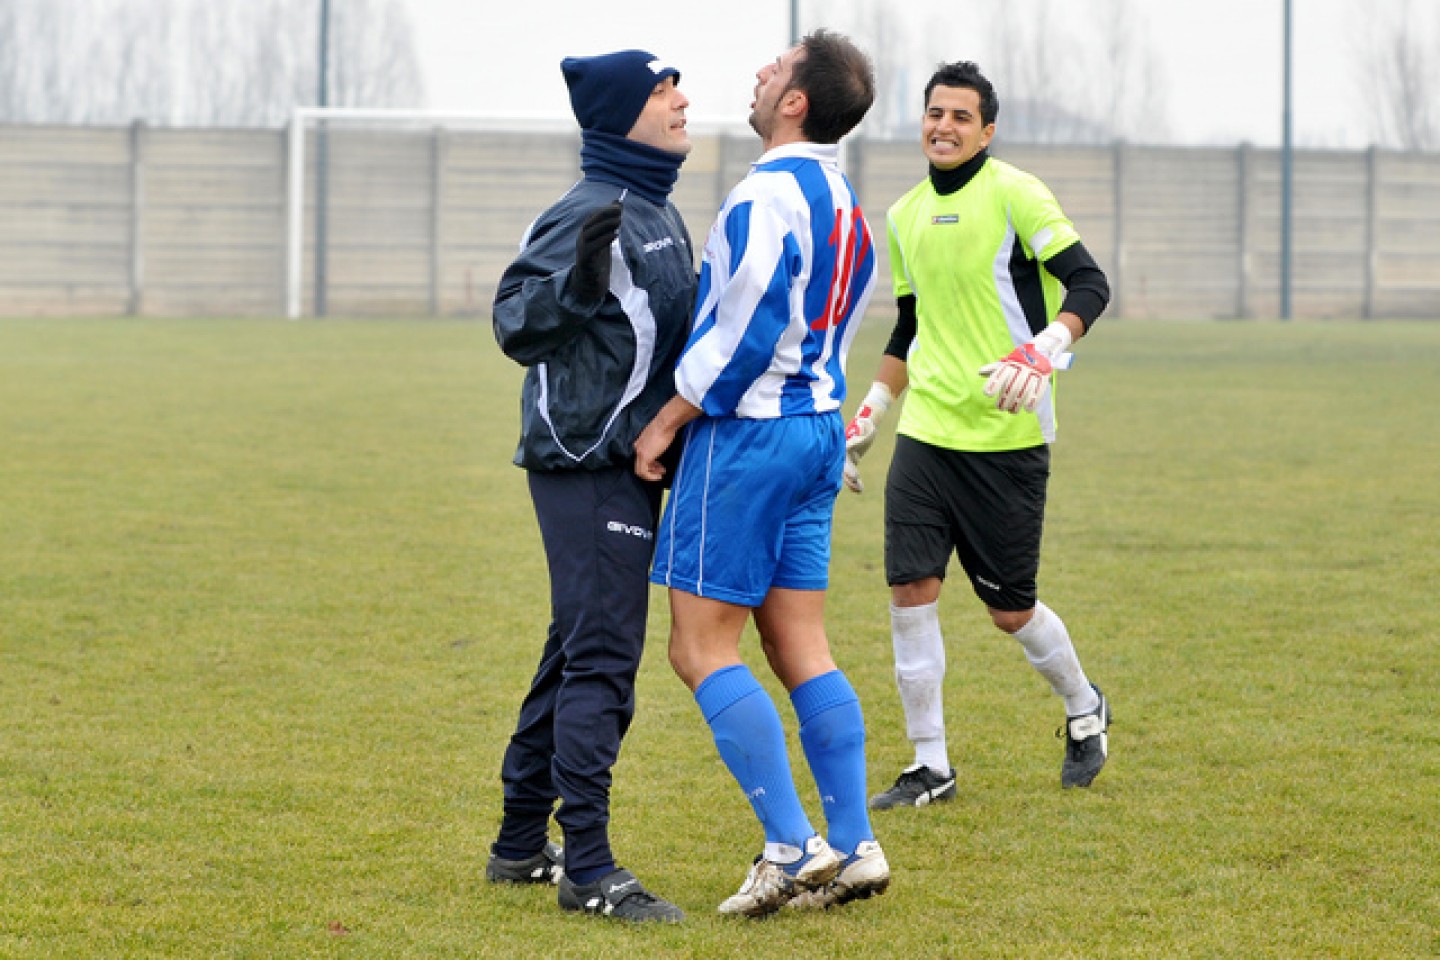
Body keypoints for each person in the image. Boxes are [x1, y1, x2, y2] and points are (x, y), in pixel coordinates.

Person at [633, 29, 887, 918]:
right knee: (799, 645)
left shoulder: (764, 195)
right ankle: (855, 846)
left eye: (773, 69)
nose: (757, 73)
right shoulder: (848, 201)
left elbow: (741, 336)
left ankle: (790, 845)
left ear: (795, 104)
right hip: (819, 432)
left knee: (699, 647)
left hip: (747, 440)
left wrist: (667, 418)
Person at [843, 60, 1113, 809]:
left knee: (1009, 610)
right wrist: (870, 412)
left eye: (962, 116)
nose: (945, 126)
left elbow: (1090, 283)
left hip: (1006, 437)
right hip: (927, 434)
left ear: (987, 130)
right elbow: (910, 326)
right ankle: (931, 765)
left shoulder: (1017, 193)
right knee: (909, 590)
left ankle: (1084, 705)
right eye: (935, 113)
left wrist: (1043, 349)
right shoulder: (901, 216)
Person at [487, 49, 697, 923]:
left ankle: (517, 843)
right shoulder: (585, 210)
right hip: (585, 464)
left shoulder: (660, 209)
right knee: (604, 659)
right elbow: (512, 323)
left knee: (575, 647)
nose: (682, 100)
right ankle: (591, 868)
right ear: (620, 116)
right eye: (661, 90)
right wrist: (572, 285)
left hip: (631, 465)